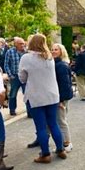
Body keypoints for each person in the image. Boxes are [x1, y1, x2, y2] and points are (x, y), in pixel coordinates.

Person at [19, 34, 67, 163]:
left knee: (41, 127)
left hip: (36, 96)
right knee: (53, 124)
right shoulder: (49, 57)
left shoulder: (26, 58)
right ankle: (60, 149)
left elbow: (22, 78)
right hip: (52, 95)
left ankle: (45, 154)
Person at [52, 43, 74, 152]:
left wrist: (60, 100)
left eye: (56, 49)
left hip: (61, 98)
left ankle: (67, 143)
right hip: (61, 97)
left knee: (61, 121)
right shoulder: (58, 64)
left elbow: (64, 84)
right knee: (61, 120)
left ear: (61, 51)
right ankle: (62, 143)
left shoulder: (60, 65)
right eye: (52, 49)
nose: (53, 51)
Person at [4, 37, 27, 116]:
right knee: (13, 94)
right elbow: (6, 64)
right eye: (20, 43)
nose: (22, 45)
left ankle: (30, 111)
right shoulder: (10, 52)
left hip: (25, 76)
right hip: (15, 76)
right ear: (15, 44)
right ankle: (12, 109)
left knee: (27, 93)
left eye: (23, 43)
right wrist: (10, 75)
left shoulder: (26, 52)